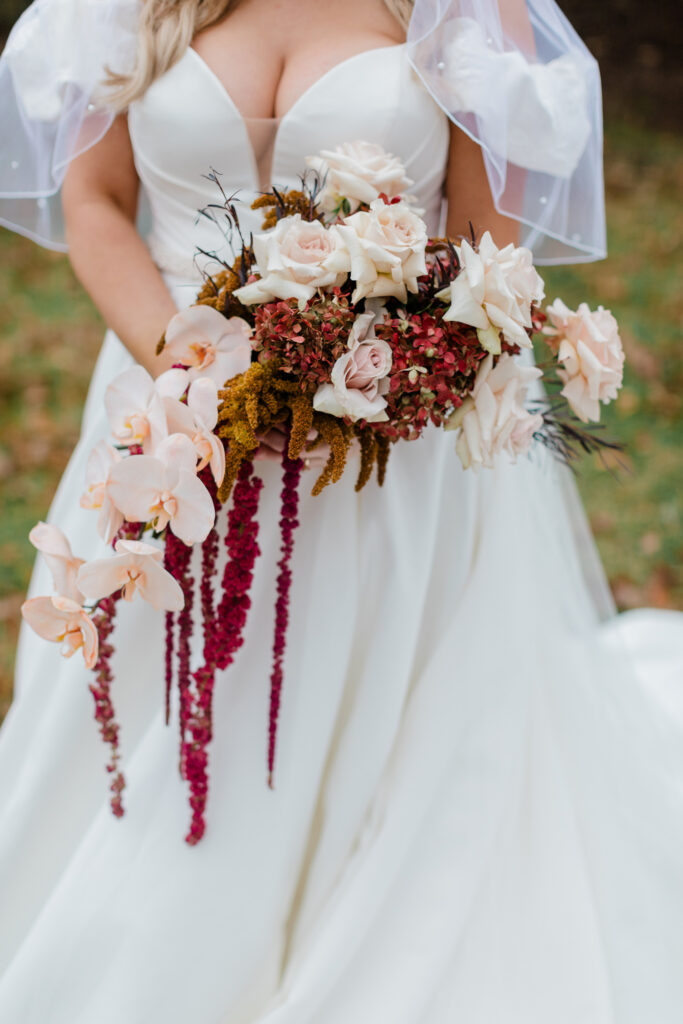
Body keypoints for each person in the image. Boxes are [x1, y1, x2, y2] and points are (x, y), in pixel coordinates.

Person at [0, 1, 681, 1021]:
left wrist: (374, 378)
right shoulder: (124, 7)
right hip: (168, 428)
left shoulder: (455, 11)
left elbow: (482, 255)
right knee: (134, 732)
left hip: (376, 457)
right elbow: (94, 199)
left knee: (373, 730)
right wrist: (186, 366)